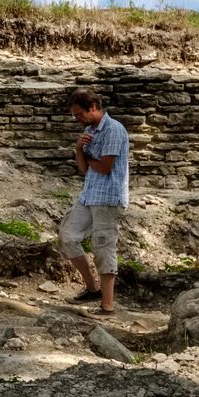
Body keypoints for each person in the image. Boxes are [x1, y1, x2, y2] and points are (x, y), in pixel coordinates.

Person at [58, 87, 130, 315]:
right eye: (75, 115)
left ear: (93, 108)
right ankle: (92, 288)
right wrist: (79, 148)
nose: (77, 119)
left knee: (103, 246)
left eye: (80, 114)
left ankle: (107, 306)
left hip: (107, 197)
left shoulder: (113, 130)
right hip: (89, 195)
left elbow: (104, 167)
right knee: (67, 237)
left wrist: (88, 156)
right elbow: (83, 168)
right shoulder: (90, 131)